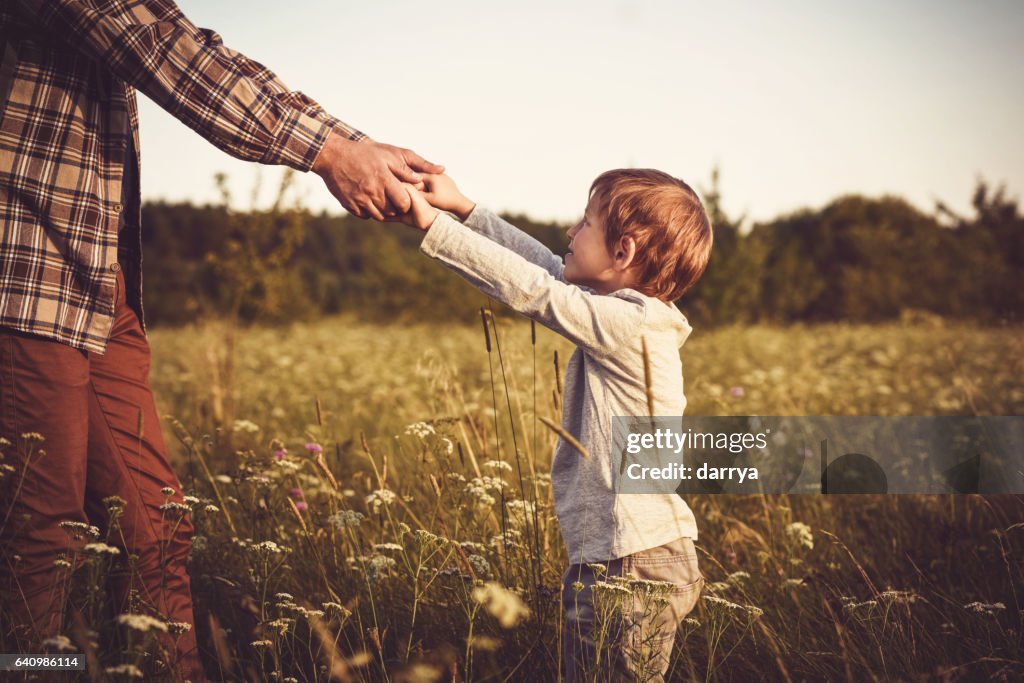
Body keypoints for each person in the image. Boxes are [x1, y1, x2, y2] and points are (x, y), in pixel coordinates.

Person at [0, 2, 441, 680]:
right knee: (39, 540)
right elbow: (169, 50)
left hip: (96, 275)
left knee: (155, 523)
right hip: (22, 271)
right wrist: (332, 148)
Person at [389, 169, 713, 681]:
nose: (570, 231)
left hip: (629, 563)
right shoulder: (625, 313)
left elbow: (536, 290)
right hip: (625, 556)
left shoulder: (629, 325)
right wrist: (466, 211)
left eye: (585, 223)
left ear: (623, 251)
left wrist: (435, 226)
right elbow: (546, 269)